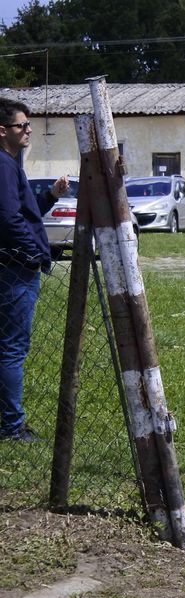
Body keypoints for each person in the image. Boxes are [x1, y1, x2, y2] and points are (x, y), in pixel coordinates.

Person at [0, 98, 67, 442]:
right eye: (21, 125)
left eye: (28, 125)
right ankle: (11, 426)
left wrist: (51, 196)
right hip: (15, 270)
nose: (28, 130)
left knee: (8, 346)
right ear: (2, 131)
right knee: (12, 348)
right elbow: (9, 219)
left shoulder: (11, 163)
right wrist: (33, 253)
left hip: (14, 265)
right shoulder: (3, 164)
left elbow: (23, 213)